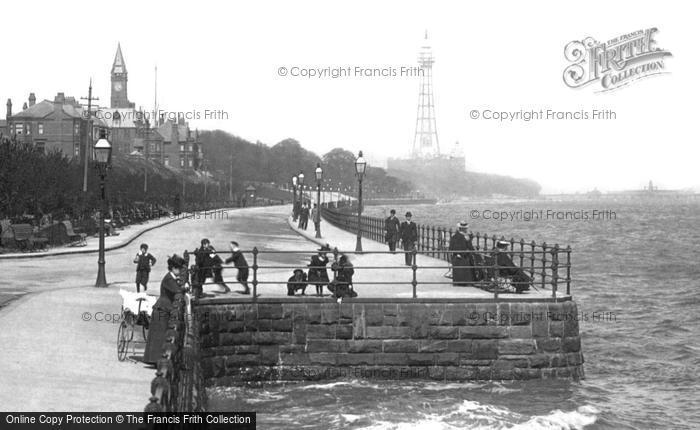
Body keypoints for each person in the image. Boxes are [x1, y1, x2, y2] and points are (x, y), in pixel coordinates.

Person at [143, 254, 188, 364]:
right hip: (162, 309)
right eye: (179, 269)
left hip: (164, 309)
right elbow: (176, 290)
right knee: (159, 335)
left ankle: (156, 359)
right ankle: (155, 360)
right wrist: (185, 287)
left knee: (161, 335)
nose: (180, 271)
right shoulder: (168, 279)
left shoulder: (172, 278)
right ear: (173, 268)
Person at [449, 222, 475, 287]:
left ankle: (457, 282)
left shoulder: (454, 236)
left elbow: (451, 248)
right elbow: (470, 247)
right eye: (466, 229)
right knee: (471, 261)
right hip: (464, 257)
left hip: (455, 257)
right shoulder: (466, 237)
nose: (466, 230)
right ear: (464, 229)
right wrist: (470, 239)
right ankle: (468, 282)